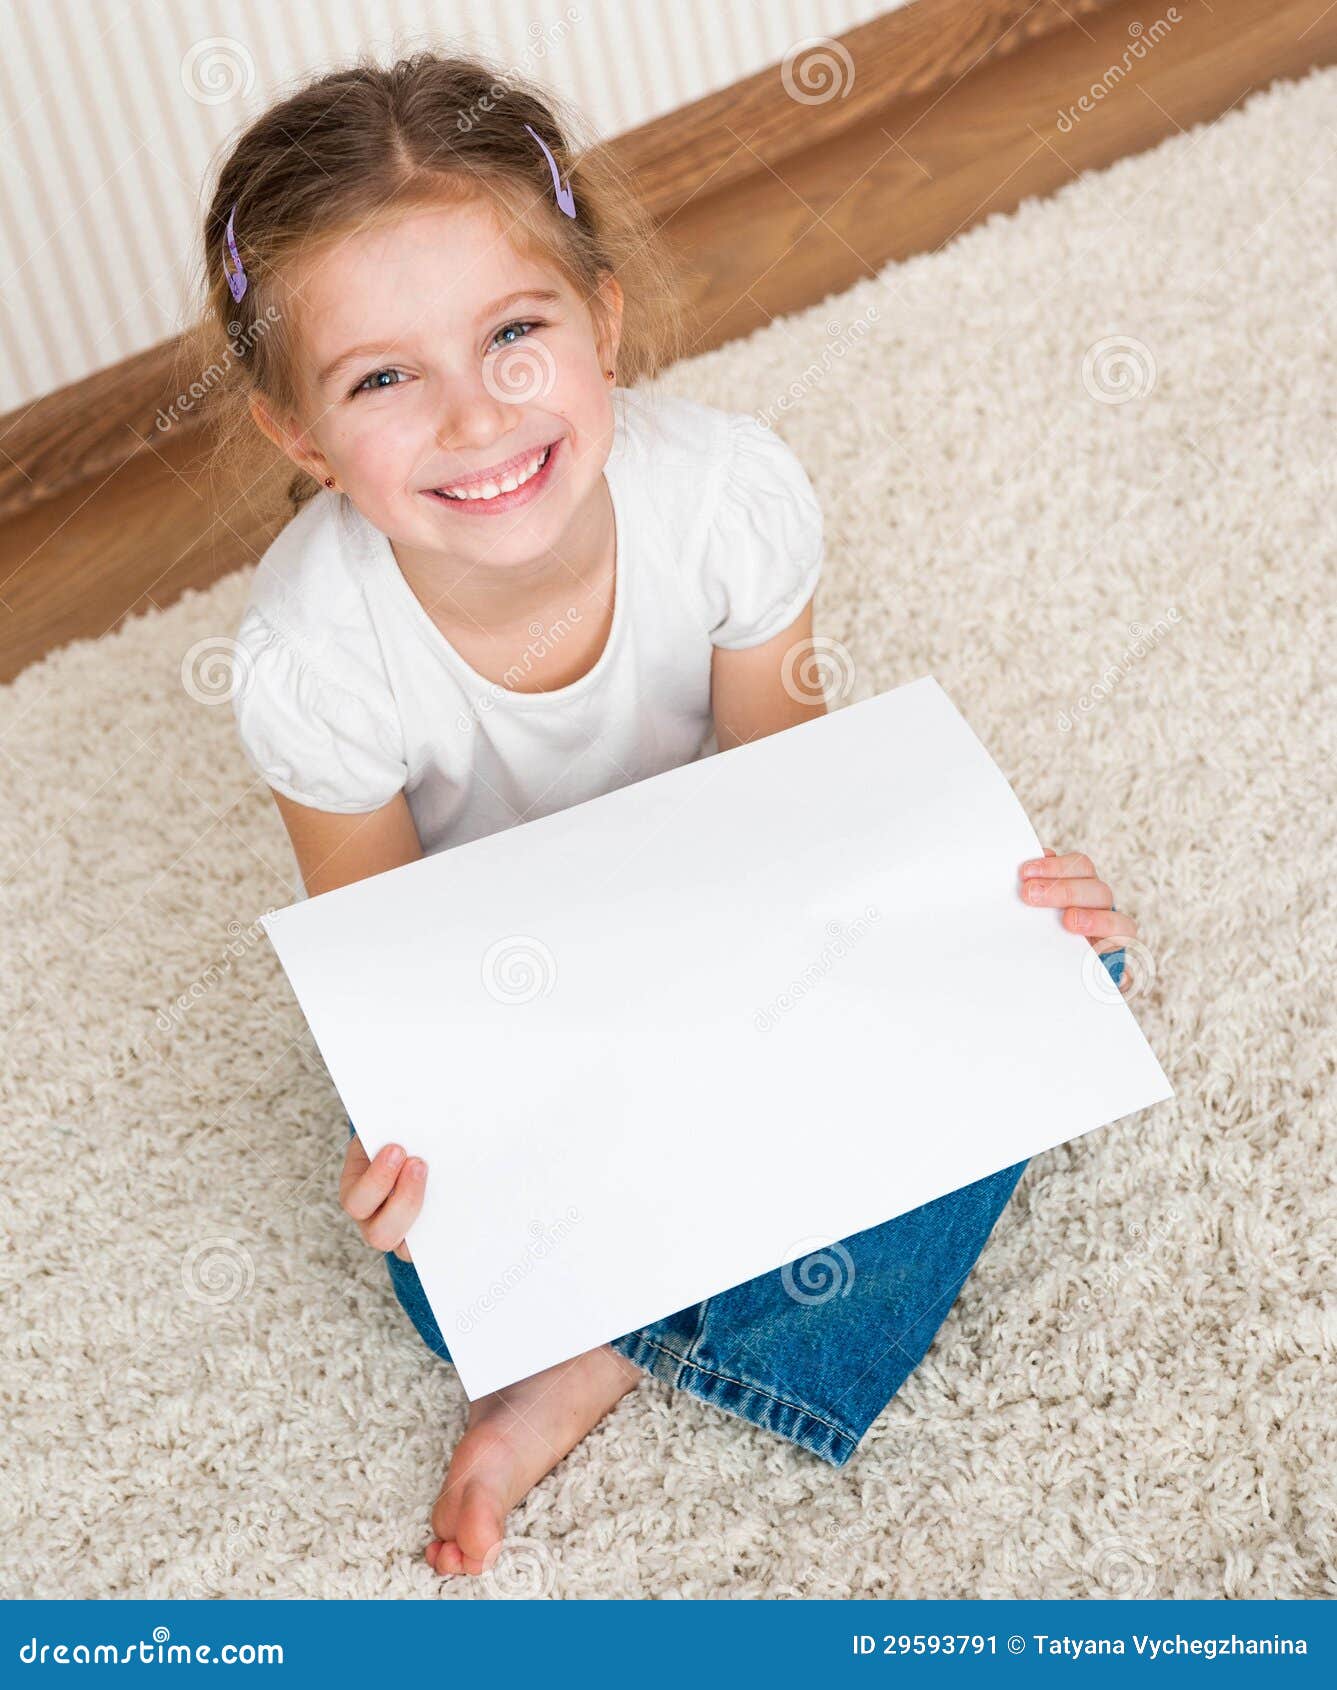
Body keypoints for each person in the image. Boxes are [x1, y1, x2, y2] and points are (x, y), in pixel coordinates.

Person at [190, 51, 1136, 1579]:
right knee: (436, 1270)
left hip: (733, 931)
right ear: (300, 437)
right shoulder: (310, 657)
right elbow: (387, 960)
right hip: (528, 1012)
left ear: (602, 323)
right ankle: (635, 1317)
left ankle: (608, 1346)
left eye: (513, 333)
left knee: (1063, 982)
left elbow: (795, 806)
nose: (474, 415)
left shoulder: (731, 498)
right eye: (381, 378)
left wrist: (970, 910)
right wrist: (410, 1153)